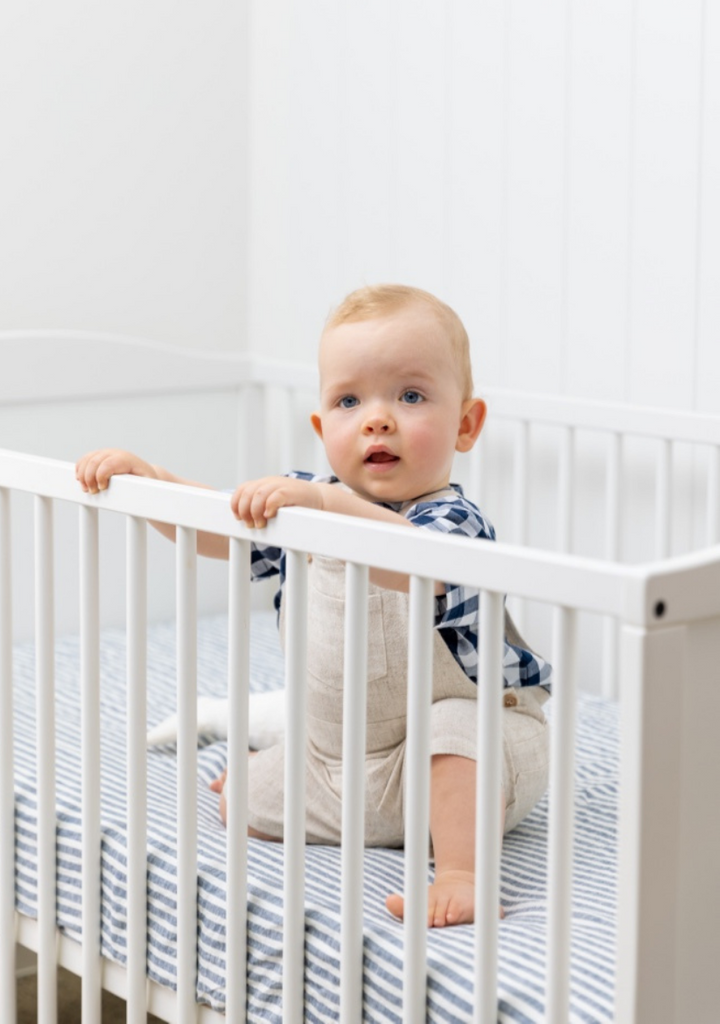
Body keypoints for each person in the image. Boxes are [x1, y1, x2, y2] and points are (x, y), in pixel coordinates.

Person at [75, 283, 551, 928]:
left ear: (465, 424)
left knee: (456, 726)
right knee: (238, 801)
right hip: (346, 768)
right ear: (324, 429)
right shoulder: (306, 505)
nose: (377, 419)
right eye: (350, 401)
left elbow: (417, 564)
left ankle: (462, 872)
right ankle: (272, 762)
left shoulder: (450, 521)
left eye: (410, 396)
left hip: (467, 760)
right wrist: (152, 483)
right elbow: (219, 528)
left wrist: (326, 506)